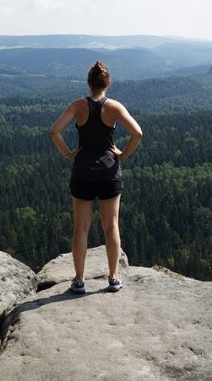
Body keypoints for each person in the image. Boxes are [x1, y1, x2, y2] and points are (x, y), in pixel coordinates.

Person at [49, 61, 143, 294]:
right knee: (111, 226)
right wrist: (124, 154)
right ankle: (113, 278)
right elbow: (137, 133)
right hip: (109, 172)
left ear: (89, 83)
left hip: (82, 172)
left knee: (81, 228)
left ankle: (79, 281)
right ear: (107, 83)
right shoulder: (114, 107)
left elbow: (54, 131)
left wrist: (68, 154)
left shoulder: (78, 106)